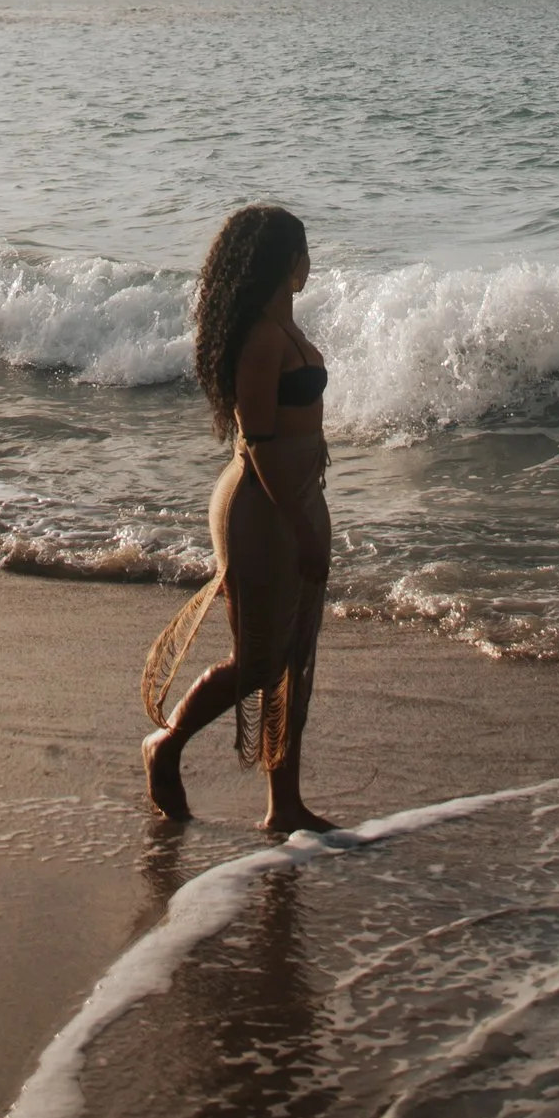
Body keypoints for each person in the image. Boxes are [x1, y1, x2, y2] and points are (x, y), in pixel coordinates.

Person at [142, 203, 331, 837]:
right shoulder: (261, 337)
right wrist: (299, 526)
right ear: (285, 261)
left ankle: (285, 805)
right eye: (303, 250)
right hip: (261, 504)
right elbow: (258, 442)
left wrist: (310, 514)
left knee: (294, 659)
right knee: (257, 661)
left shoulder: (286, 327)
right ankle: (165, 745)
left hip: (299, 499)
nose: (310, 262)